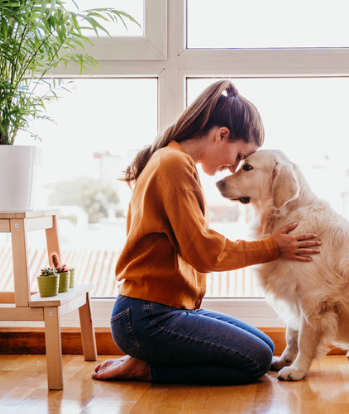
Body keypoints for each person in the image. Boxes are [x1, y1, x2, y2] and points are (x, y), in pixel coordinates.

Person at [92, 80, 321, 385]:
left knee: (266, 348)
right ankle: (147, 367)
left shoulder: (172, 159)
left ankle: (148, 356)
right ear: (221, 135)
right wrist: (273, 247)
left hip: (162, 311)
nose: (233, 167)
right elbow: (204, 253)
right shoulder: (174, 165)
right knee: (255, 360)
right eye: (239, 156)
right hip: (146, 317)